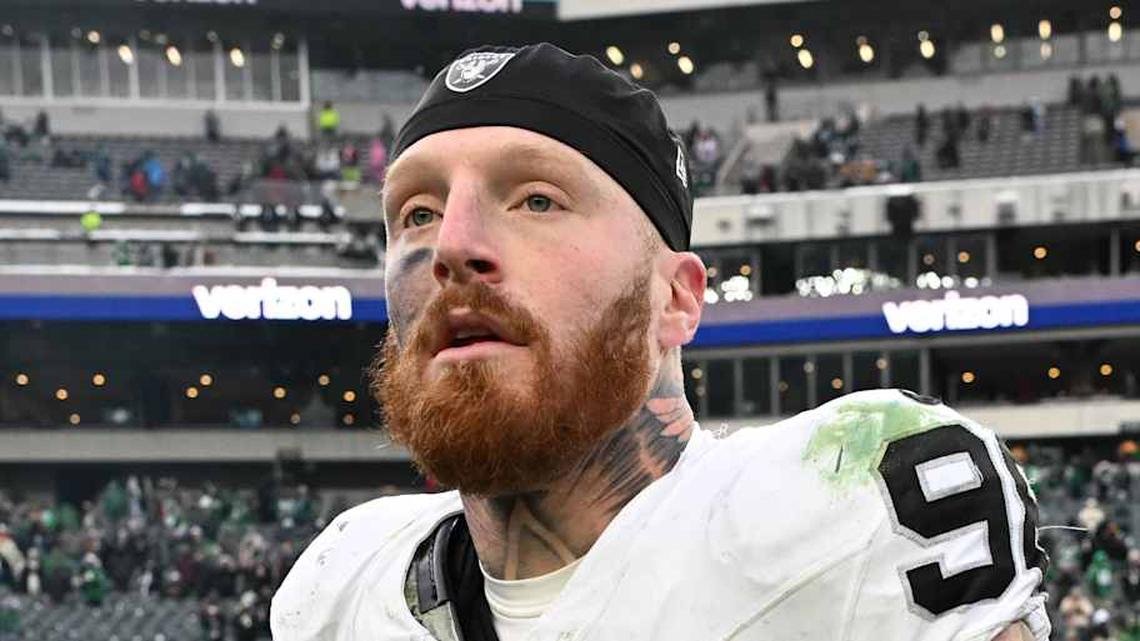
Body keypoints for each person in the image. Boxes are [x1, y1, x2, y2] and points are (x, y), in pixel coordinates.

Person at [271, 43, 1050, 641]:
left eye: (536, 199)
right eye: (417, 211)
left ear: (675, 298)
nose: (454, 244)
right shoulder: (336, 589)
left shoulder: (846, 509)